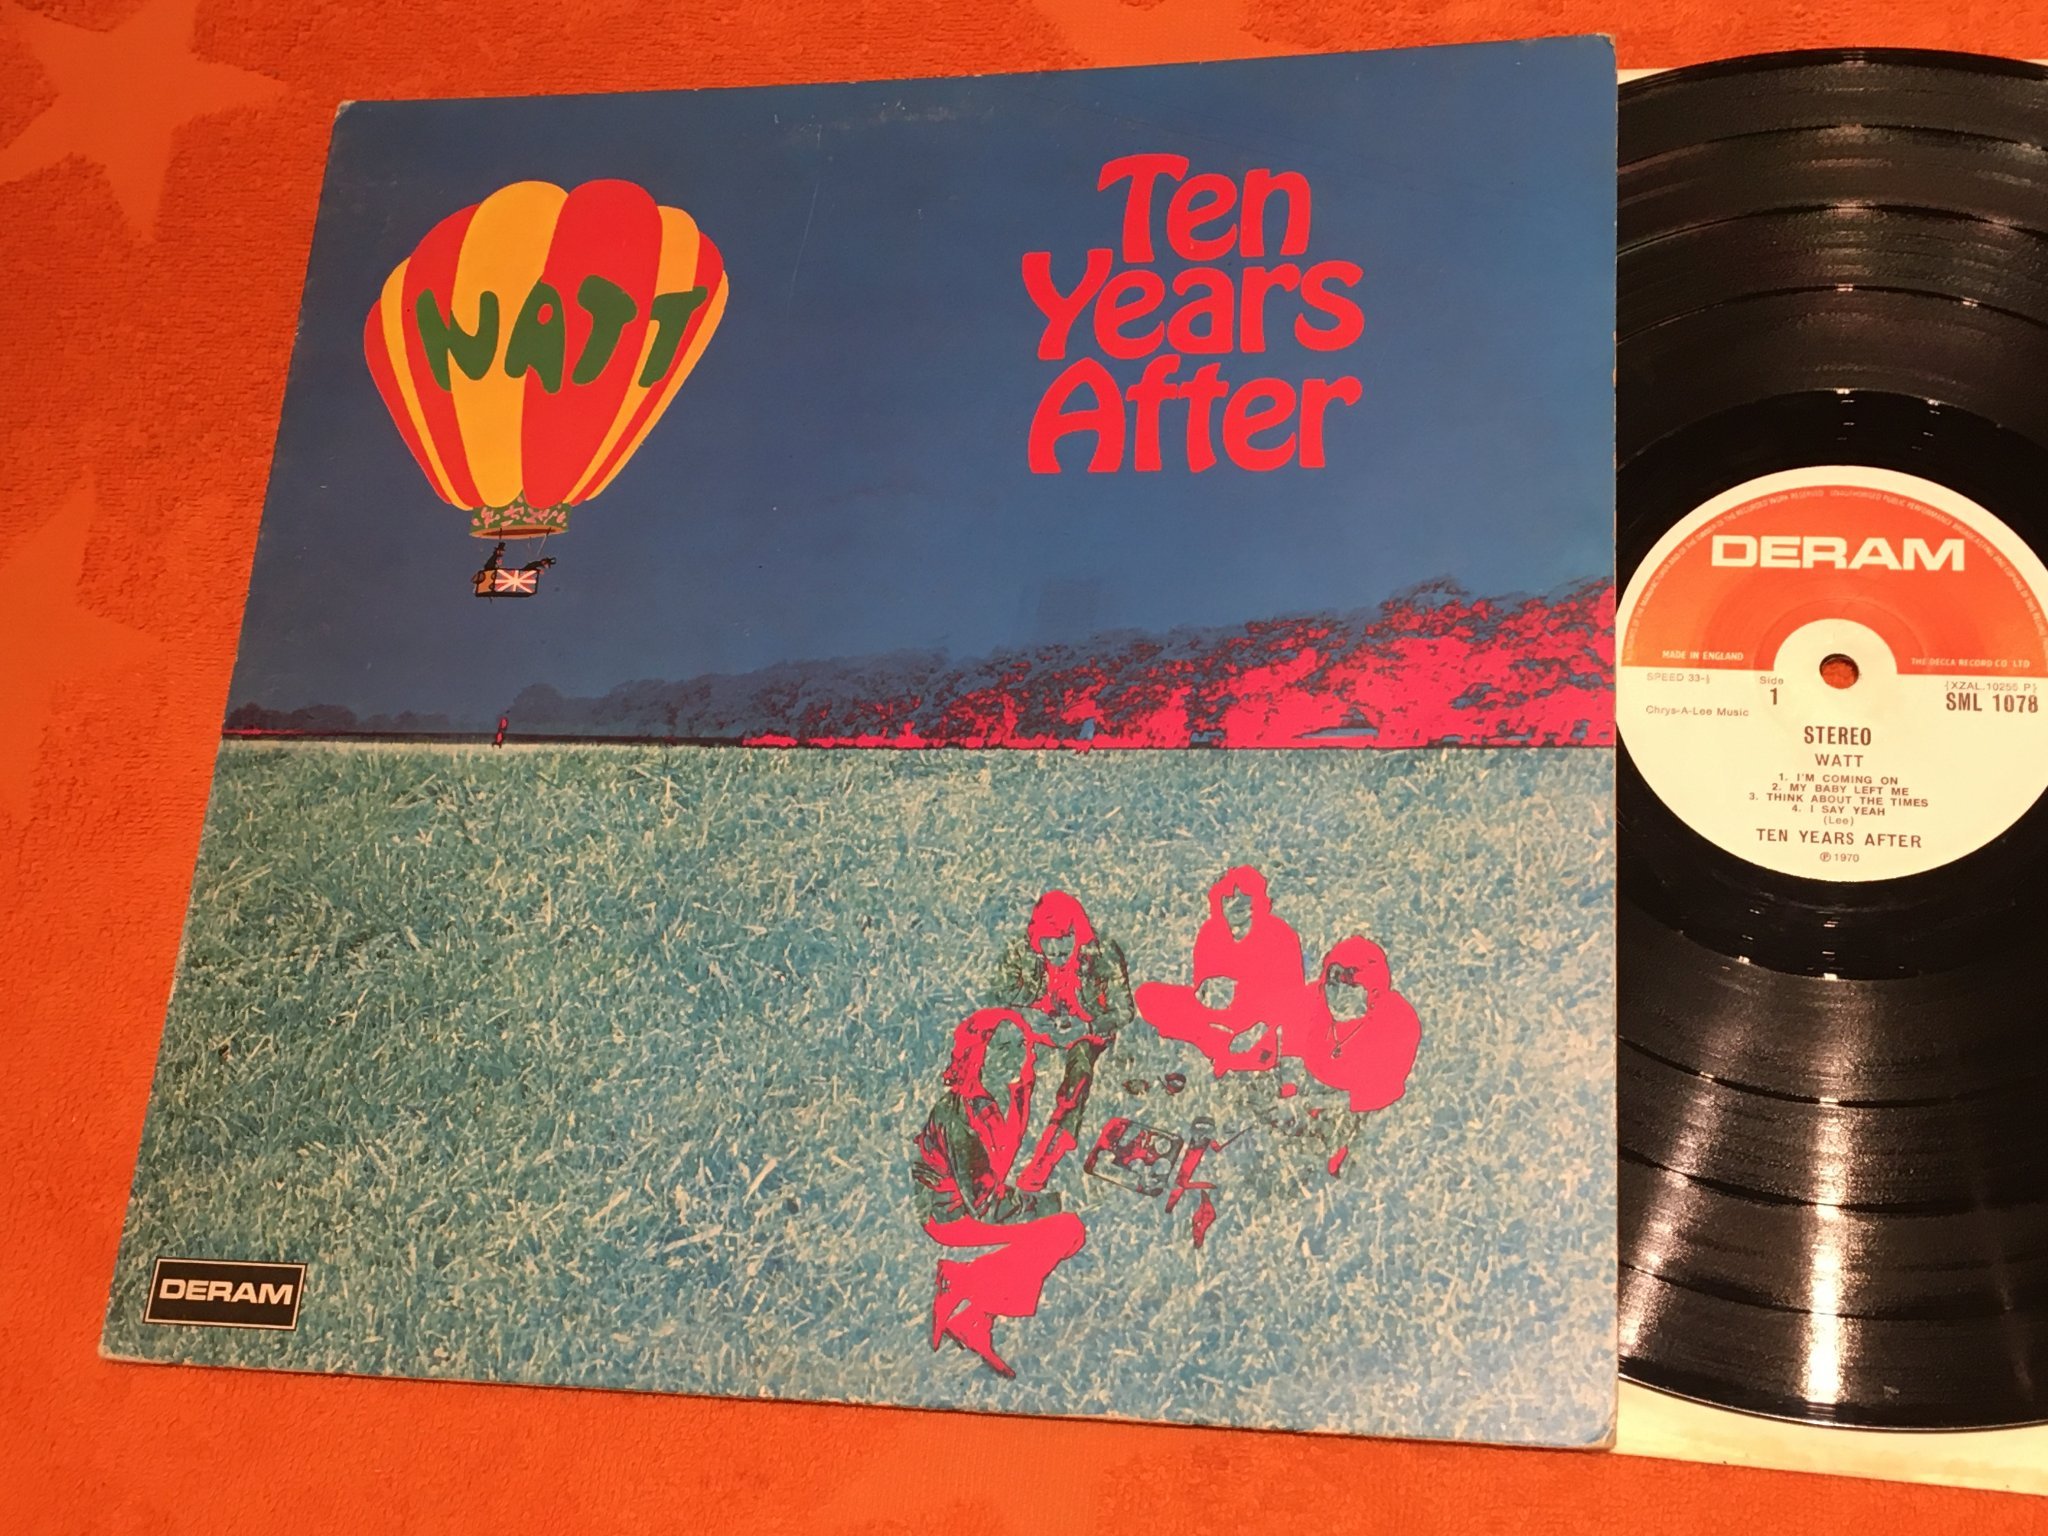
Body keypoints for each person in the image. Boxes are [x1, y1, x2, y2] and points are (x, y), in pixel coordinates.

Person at [910, 1008, 1087, 1378]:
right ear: (979, 1054)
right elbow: (985, 1205)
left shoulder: (1010, 1090)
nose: (1018, 1056)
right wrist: (1047, 1203)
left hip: (981, 1195)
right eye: (1003, 1047)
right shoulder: (958, 1118)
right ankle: (959, 1281)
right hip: (949, 1215)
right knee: (1064, 1230)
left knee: (1059, 1233)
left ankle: (974, 1318)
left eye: (1022, 1046)